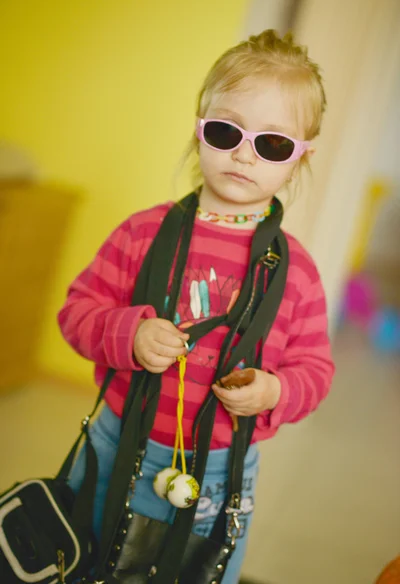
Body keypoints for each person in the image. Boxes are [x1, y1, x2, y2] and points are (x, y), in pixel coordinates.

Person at [59, 29, 335, 583]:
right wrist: (127, 334)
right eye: (226, 130)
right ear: (199, 130)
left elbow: (316, 369)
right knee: (89, 561)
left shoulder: (298, 271)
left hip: (220, 467)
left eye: (273, 143)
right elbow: (77, 312)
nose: (242, 152)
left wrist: (276, 391)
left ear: (299, 160)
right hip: (119, 441)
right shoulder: (142, 234)